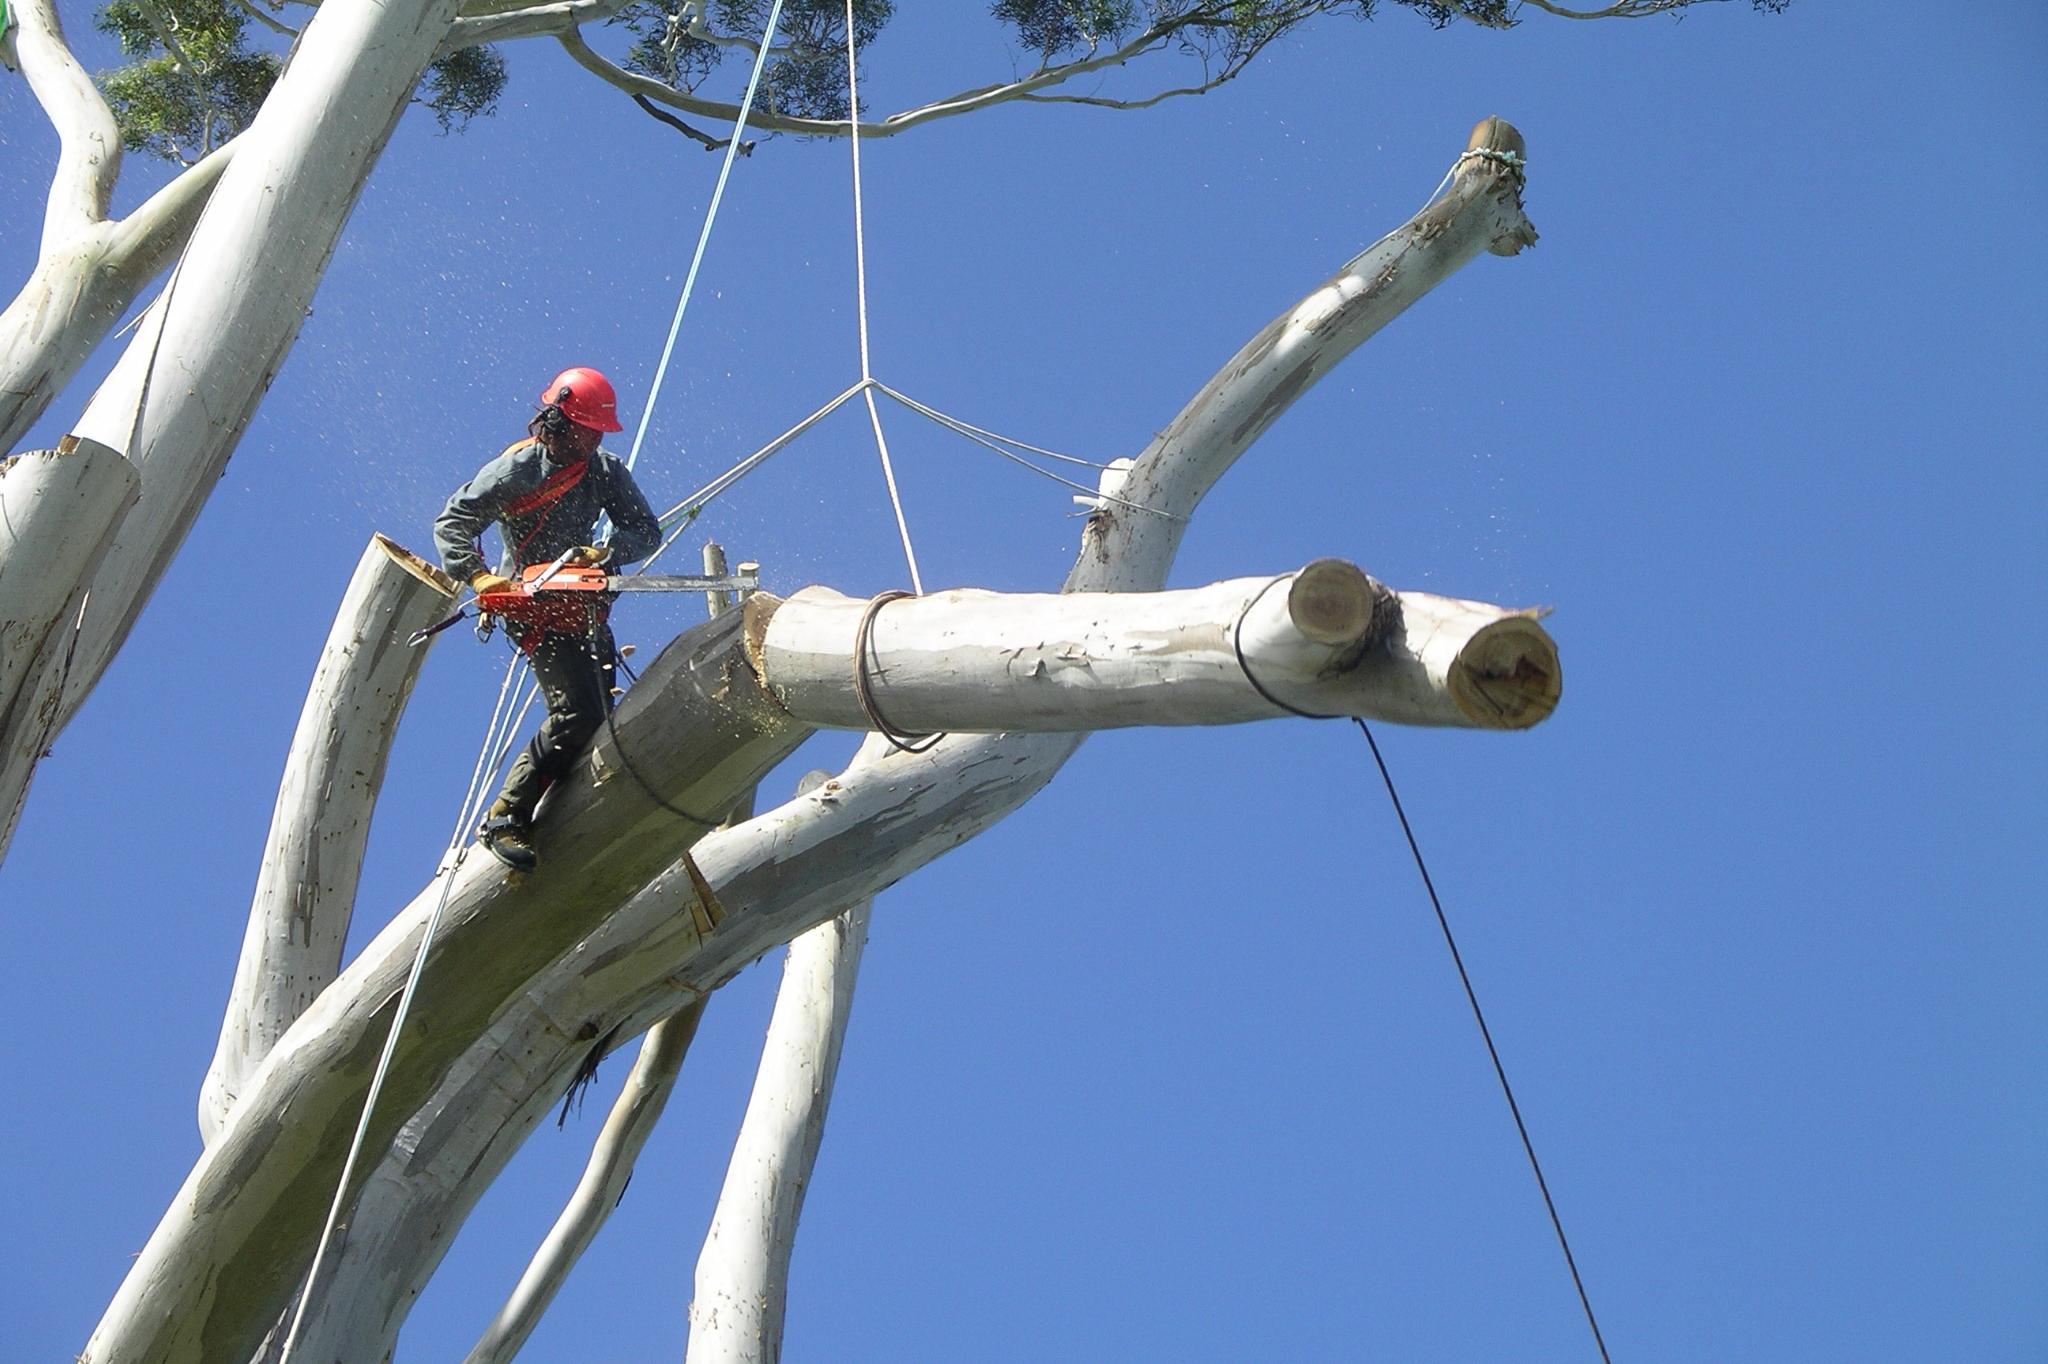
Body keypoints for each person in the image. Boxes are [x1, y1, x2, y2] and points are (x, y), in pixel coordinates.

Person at [435, 366, 663, 872]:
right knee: (575, 714)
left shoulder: (603, 471)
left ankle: (573, 817)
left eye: (596, 433)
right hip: (529, 602)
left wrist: (604, 553)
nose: (590, 440)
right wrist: (478, 577)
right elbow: (454, 521)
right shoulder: (517, 471)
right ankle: (506, 817)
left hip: (578, 602)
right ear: (558, 421)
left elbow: (646, 531)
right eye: (584, 430)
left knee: (604, 718)